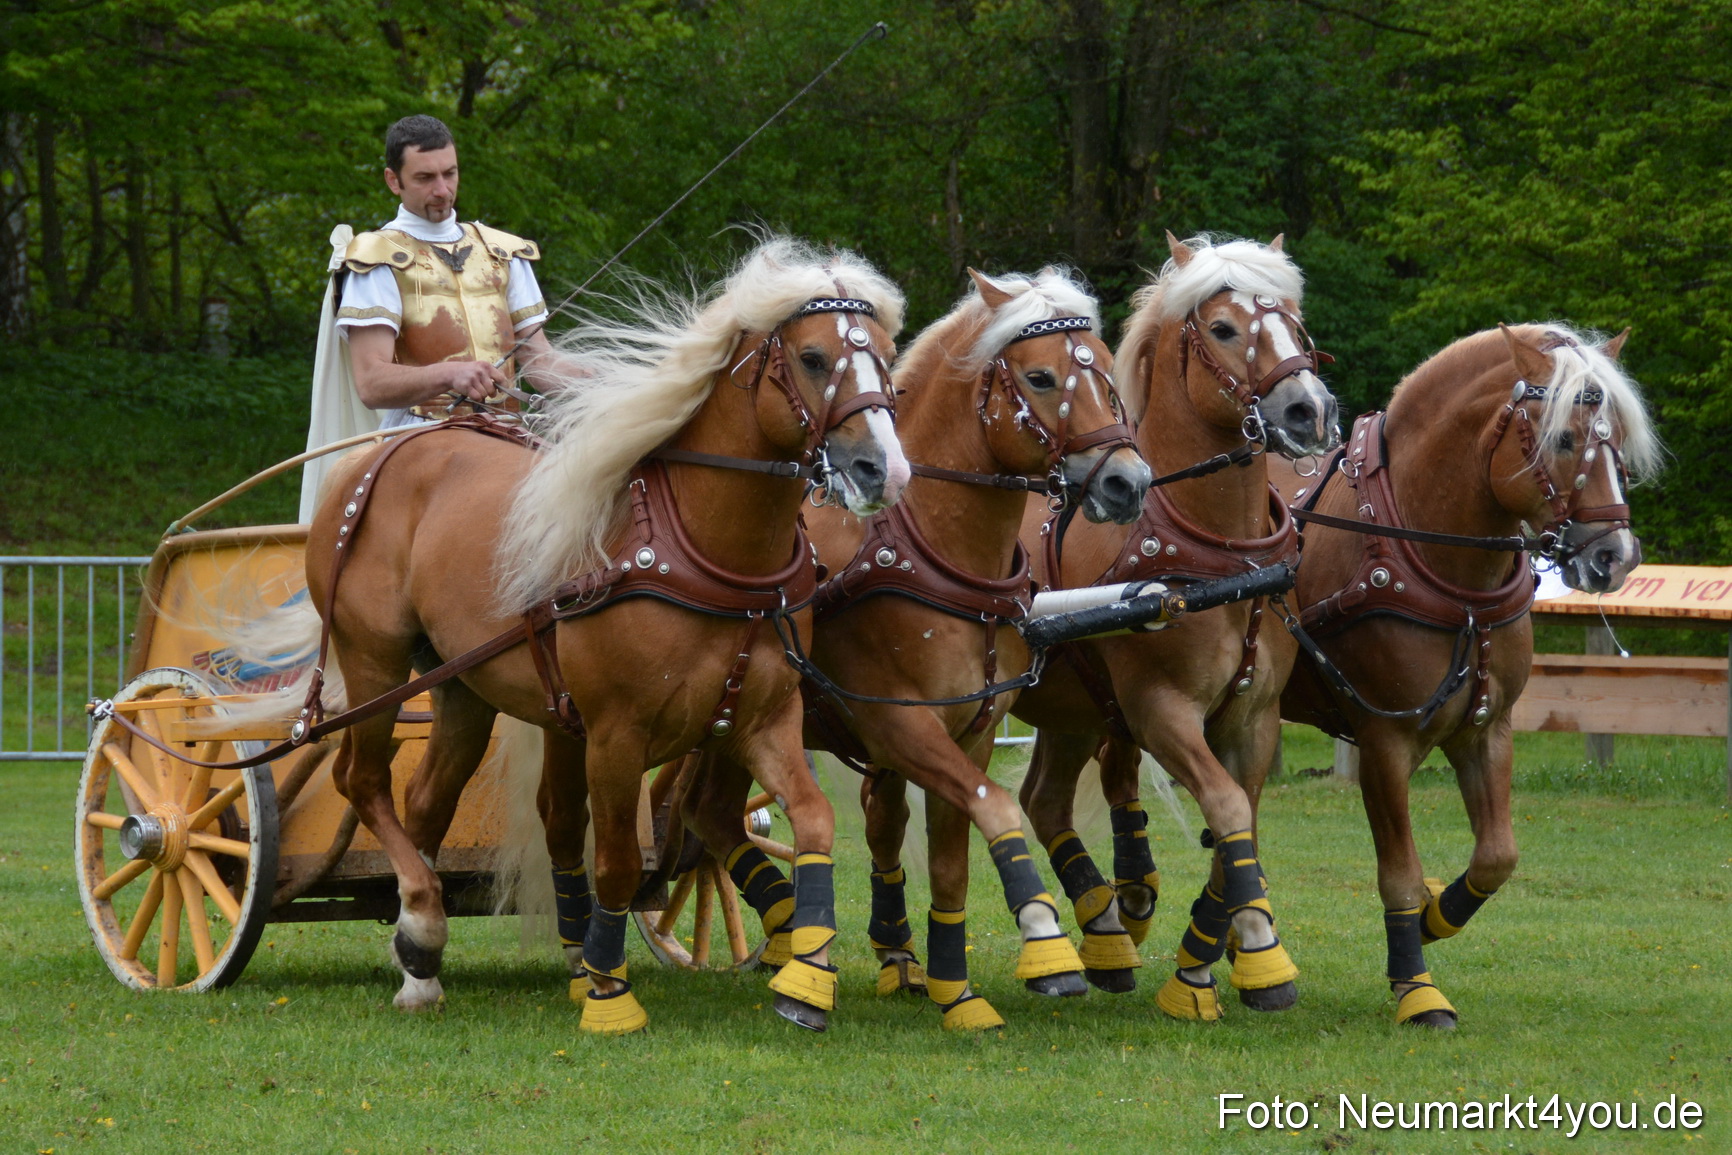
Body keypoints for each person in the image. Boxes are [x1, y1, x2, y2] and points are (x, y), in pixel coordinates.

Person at [299, 114, 566, 520]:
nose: (443, 191)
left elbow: (542, 363)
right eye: (425, 178)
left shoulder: (501, 252)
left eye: (450, 173)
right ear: (394, 180)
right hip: (418, 442)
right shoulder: (377, 259)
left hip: (510, 438)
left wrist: (624, 381)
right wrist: (450, 375)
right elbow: (371, 382)